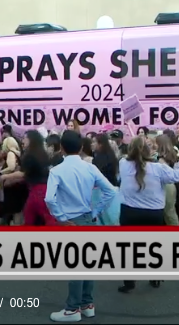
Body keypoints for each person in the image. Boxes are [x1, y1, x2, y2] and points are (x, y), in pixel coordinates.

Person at [45, 130, 118, 322]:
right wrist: (95, 212)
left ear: (61, 148)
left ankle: (72, 309)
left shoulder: (56, 171)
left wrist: (60, 217)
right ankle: (87, 304)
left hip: (70, 219)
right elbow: (110, 191)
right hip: (87, 217)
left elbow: (49, 199)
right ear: (81, 147)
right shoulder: (90, 168)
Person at [117, 136, 179, 293]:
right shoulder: (158, 169)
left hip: (129, 212)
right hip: (153, 214)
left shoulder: (123, 165)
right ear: (149, 151)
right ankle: (154, 276)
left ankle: (129, 281)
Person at [19, 130, 56, 226]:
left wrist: (5, 176)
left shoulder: (30, 156)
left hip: (37, 191)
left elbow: (23, 174)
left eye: (24, 138)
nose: (22, 141)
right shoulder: (42, 154)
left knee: (30, 217)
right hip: (46, 189)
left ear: (31, 140)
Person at [155, 134, 179, 226]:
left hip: (167, 185)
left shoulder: (162, 157)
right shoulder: (173, 153)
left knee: (169, 212)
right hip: (169, 184)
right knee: (169, 211)